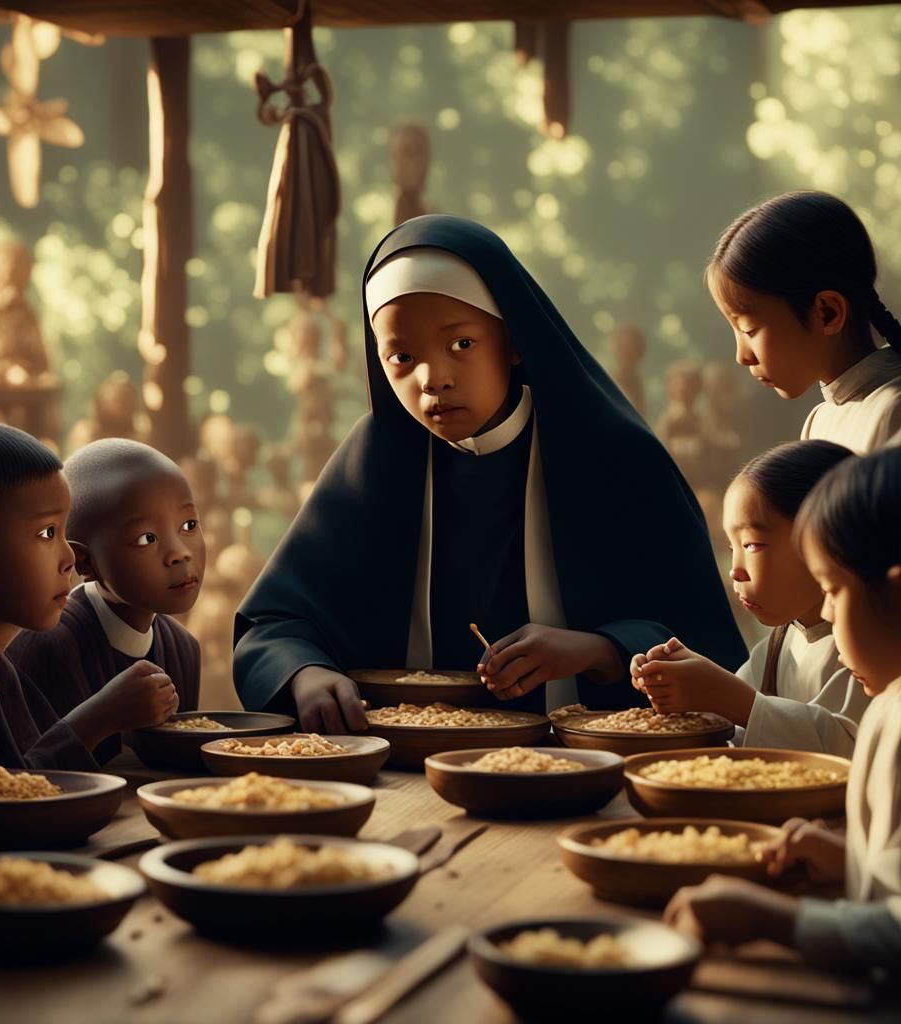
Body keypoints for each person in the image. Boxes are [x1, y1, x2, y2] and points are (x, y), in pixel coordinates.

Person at [234, 215, 745, 732]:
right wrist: (306, 672)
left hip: (582, 762)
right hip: (406, 761)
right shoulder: (375, 461)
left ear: (514, 341)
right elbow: (274, 623)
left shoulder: (613, 456)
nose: (433, 380)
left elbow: (705, 642)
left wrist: (598, 649)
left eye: (461, 345)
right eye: (402, 357)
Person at [665, 447, 901, 973]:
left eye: (835, 591)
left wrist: (772, 919)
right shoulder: (885, 697)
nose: (828, 616)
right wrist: (850, 860)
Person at [0, 422, 177, 769]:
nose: (70, 559)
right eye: (47, 533)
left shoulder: (2, 672)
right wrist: (96, 719)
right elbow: (12, 801)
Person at [630, 440, 867, 755]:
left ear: (827, 538)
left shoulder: (870, 646)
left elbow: (855, 751)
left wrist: (732, 699)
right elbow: (737, 724)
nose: (735, 571)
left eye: (753, 545)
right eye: (732, 548)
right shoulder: (778, 643)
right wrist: (684, 681)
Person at [8, 438, 203, 763]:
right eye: (146, 538)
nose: (179, 553)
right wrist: (101, 717)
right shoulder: (44, 647)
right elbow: (26, 781)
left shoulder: (184, 648)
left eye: (188, 526)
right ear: (83, 561)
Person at [707, 190, 901, 454]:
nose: (742, 356)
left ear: (827, 313)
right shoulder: (818, 421)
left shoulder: (892, 412)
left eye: (748, 330)